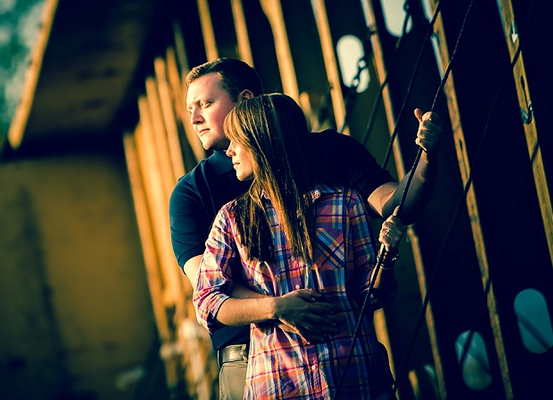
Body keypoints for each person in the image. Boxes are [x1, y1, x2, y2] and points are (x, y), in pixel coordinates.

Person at [168, 58, 444, 399]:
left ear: (246, 100)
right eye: (189, 108)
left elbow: (394, 206)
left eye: (205, 104)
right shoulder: (196, 194)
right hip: (252, 360)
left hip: (342, 355)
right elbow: (208, 289)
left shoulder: (333, 167)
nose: (194, 118)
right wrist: (281, 308)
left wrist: (427, 159)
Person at [193, 93, 402, 399]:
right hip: (280, 385)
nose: (231, 151)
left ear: (264, 142)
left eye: (238, 140)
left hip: (357, 378)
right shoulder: (231, 219)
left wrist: (387, 257)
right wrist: (276, 308)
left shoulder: (345, 204)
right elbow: (206, 301)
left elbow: (369, 296)